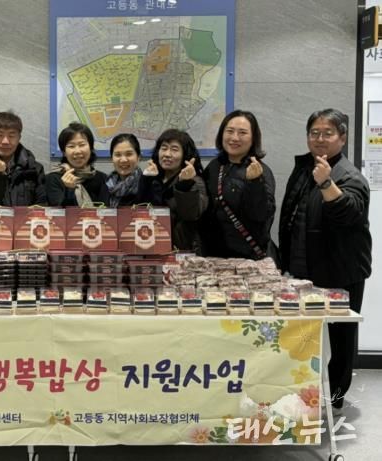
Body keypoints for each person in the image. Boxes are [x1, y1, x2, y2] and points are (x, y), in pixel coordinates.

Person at [279, 108, 371, 412]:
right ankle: (303, 388)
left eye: (327, 133)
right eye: (314, 133)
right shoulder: (304, 168)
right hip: (304, 268)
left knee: (342, 337)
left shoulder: (349, 175)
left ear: (342, 138)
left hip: (341, 269)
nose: (320, 139)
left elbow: (350, 214)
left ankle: (335, 396)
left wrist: (326, 183)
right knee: (303, 333)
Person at [202, 110, 276, 259]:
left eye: (242, 133)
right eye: (230, 131)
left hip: (247, 259)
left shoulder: (260, 170)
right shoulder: (214, 166)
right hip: (213, 256)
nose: (234, 138)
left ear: (253, 138)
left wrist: (255, 182)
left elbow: (261, 215)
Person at [137, 129, 208, 252]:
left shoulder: (195, 182)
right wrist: (146, 180)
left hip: (182, 251)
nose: (167, 154)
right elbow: (140, 211)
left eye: (174, 150)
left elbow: (191, 214)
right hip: (150, 246)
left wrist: (185, 184)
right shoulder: (153, 178)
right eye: (164, 148)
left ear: (185, 155)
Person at [46, 122, 109, 207]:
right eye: (71, 146)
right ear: (64, 152)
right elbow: (58, 212)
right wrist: (70, 189)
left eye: (82, 145)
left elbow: (106, 210)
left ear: (91, 148)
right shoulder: (53, 179)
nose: (77, 151)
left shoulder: (102, 178)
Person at [106, 133, 143, 207]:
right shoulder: (106, 184)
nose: (123, 160)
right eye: (118, 155)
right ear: (111, 158)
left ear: (138, 157)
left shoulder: (146, 185)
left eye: (129, 154)